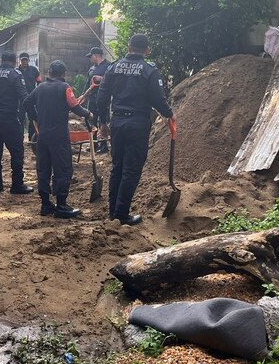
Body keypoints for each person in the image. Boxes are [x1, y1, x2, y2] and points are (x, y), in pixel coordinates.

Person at [98, 34, 174, 226]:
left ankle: (113, 212)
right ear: (147, 50)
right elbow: (158, 99)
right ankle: (122, 215)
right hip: (137, 124)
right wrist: (169, 114)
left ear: (128, 46)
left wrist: (103, 123)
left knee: (117, 167)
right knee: (131, 170)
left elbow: (102, 97)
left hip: (117, 123)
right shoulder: (149, 71)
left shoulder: (112, 68)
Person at [23, 60, 93, 219]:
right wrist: (88, 114)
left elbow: (26, 102)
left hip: (43, 136)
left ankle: (46, 204)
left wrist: (36, 118)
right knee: (63, 169)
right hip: (59, 137)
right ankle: (61, 206)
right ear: (63, 74)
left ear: (49, 73)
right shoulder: (65, 87)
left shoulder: (40, 87)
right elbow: (75, 107)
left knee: (44, 169)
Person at [0, 51, 34, 194]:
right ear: (15, 61)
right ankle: (17, 185)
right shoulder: (15, 75)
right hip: (9, 117)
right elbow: (24, 97)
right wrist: (34, 116)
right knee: (17, 151)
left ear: (2, 60)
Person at [85, 46, 110, 154]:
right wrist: (83, 95)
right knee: (91, 120)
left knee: (103, 121)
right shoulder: (91, 68)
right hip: (92, 98)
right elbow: (88, 83)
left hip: (104, 98)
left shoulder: (108, 67)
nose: (90, 59)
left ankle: (104, 145)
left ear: (96, 55)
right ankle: (93, 144)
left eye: (91, 57)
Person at [17, 52, 41, 141]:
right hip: (20, 99)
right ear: (20, 60)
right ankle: (20, 138)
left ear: (28, 60)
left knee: (33, 119)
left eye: (25, 60)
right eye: (22, 60)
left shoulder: (34, 70)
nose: (24, 62)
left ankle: (31, 138)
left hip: (32, 98)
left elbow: (39, 82)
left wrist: (38, 94)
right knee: (20, 119)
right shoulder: (16, 71)